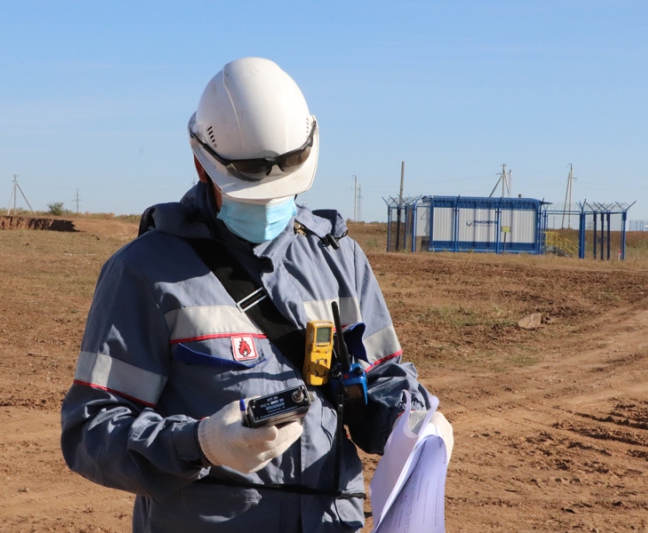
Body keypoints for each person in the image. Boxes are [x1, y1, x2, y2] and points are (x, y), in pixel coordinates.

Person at [60, 56, 453, 533]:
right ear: (201, 164)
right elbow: (90, 430)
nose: (269, 204)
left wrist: (412, 423)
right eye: (251, 190)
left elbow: (380, 377)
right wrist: (200, 443)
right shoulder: (144, 272)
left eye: (282, 188)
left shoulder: (338, 258)